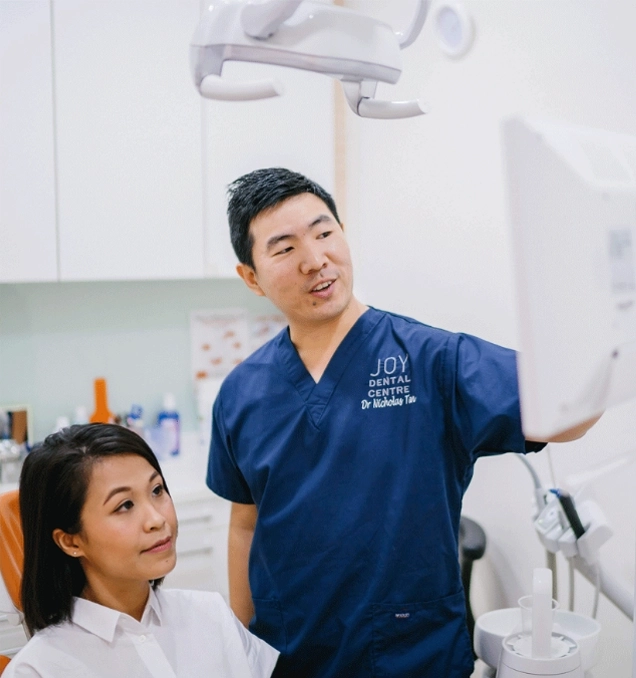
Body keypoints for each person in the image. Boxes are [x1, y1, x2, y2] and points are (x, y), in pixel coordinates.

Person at [206, 167, 599, 677]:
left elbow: (569, 415)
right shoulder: (242, 393)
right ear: (252, 277)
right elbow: (245, 523)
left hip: (413, 655)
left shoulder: (433, 360)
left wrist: (603, 324)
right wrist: (240, 646)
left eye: (325, 233)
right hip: (290, 656)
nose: (315, 259)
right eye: (284, 249)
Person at [4, 423, 279, 678]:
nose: (157, 519)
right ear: (71, 541)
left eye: (157, 490)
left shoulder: (212, 615)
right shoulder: (38, 669)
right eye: (124, 505)